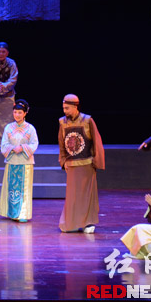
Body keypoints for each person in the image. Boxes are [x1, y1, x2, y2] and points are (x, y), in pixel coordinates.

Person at [58, 94, 105, 233]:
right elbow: (61, 143)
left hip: (86, 163)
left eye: (67, 108)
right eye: (63, 108)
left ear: (75, 106)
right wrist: (63, 161)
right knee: (72, 197)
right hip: (72, 164)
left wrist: (96, 161)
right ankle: (71, 223)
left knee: (86, 196)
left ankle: (88, 223)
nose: (65, 111)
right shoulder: (62, 122)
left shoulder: (87, 120)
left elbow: (96, 141)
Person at [0, 99, 39, 223]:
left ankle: (23, 213)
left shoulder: (30, 128)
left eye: (20, 112)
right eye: (15, 112)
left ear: (25, 113)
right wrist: (12, 148)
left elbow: (34, 143)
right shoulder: (8, 127)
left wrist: (22, 148)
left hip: (25, 162)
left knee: (24, 189)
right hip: (12, 161)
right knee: (11, 188)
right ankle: (11, 212)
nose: (17, 115)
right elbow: (4, 144)